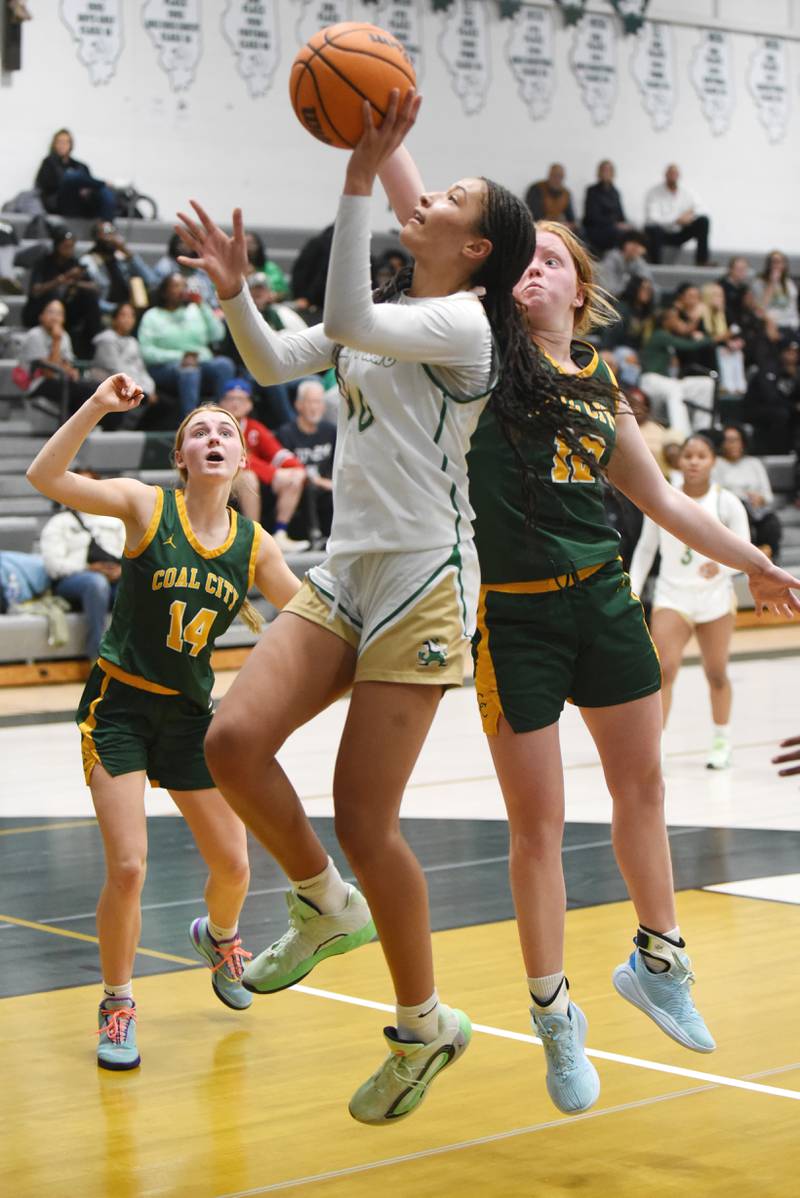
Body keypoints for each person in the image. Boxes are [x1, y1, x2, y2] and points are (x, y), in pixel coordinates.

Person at [175, 90, 552, 1125]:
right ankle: (319, 901)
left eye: (446, 198)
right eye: (420, 188)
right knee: (231, 741)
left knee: (365, 816)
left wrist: (354, 176)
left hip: (426, 578)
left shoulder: (464, 323)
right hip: (348, 569)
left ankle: (421, 1023)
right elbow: (275, 357)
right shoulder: (388, 309)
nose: (419, 198)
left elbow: (343, 320)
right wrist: (240, 294)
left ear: (476, 247)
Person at [466, 227, 799, 1116]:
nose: (532, 270)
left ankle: (658, 961)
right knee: (538, 828)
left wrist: (756, 564)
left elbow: (661, 500)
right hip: (518, 615)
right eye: (521, 260)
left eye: (551, 260)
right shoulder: (480, 357)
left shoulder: (602, 379)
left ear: (580, 290)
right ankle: (554, 1014)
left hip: (604, 603)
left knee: (643, 790)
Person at [25, 376, 300, 1072]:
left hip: (188, 717)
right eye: (200, 432)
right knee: (128, 865)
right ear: (182, 457)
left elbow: (307, 625)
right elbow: (44, 474)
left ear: (242, 461)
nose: (214, 438)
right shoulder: (146, 508)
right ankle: (117, 1003)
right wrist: (96, 406)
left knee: (235, 864)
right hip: (117, 707)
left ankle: (220, 936)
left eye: (226, 433)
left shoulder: (256, 546)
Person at [630, 435, 751, 770]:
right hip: (673, 595)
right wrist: (634, 590)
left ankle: (721, 740)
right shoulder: (662, 500)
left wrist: (723, 565)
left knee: (716, 673)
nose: (694, 462)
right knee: (663, 670)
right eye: (688, 456)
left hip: (714, 597)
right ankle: (658, 745)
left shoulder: (727, 503)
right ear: (678, 461)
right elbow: (644, 549)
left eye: (702, 456)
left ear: (713, 461)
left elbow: (746, 549)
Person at [217, 377, 308, 547]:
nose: (235, 404)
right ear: (221, 403)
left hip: (256, 481)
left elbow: (278, 454)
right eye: (230, 399)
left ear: (249, 405)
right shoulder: (217, 427)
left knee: (295, 476)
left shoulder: (253, 427)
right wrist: (273, 474)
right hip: (219, 479)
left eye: (241, 399)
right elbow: (235, 459)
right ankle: (255, 536)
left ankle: (280, 533)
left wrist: (297, 469)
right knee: (248, 477)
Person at [39, 487, 125, 661]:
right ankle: (98, 657)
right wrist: (88, 568)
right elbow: (53, 566)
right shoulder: (59, 522)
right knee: (96, 583)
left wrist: (123, 570)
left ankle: (132, 657)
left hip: (114, 579)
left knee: (136, 584)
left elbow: (132, 553)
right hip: (71, 583)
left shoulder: (115, 521)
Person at [138, 273, 235, 416]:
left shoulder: (196, 310)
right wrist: (182, 356)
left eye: (184, 285)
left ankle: (220, 417)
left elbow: (218, 335)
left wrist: (202, 306)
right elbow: (146, 352)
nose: (182, 289)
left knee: (224, 365)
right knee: (189, 371)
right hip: (165, 368)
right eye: (176, 286)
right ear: (164, 292)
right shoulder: (152, 316)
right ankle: (190, 423)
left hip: (201, 362)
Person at [23, 228, 102, 358]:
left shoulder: (75, 263)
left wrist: (75, 283)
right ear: (57, 245)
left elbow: (95, 287)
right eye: (66, 246)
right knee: (53, 296)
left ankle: (96, 341)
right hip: (40, 310)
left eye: (72, 247)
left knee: (90, 297)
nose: (69, 250)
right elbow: (35, 291)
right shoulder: (44, 262)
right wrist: (62, 279)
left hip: (67, 313)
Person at [276, 377, 337, 546]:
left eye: (318, 402)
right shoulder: (286, 433)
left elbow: (337, 465)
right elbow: (284, 466)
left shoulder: (330, 431)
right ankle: (314, 535)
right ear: (298, 405)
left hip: (326, 487)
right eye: (310, 402)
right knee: (309, 486)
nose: (314, 408)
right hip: (299, 488)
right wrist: (317, 480)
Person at [17, 297, 96, 419]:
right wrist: (56, 340)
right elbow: (49, 373)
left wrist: (71, 371)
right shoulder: (35, 335)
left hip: (60, 380)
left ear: (63, 319)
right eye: (50, 312)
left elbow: (66, 364)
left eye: (59, 313)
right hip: (38, 383)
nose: (54, 317)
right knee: (78, 390)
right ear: (41, 316)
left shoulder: (64, 336)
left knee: (92, 387)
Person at [715, 424, 782, 560]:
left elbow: (768, 495)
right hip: (730, 509)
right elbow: (715, 491)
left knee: (771, 522)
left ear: (743, 442)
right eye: (728, 440)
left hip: (756, 510)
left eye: (735, 440)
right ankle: (749, 556)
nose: (732, 444)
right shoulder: (716, 463)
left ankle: (768, 557)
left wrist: (760, 499)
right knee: (742, 508)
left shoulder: (754, 463)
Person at [34, 128, 116, 222]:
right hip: (61, 203)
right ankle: (102, 183)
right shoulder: (48, 163)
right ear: (54, 144)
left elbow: (88, 185)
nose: (63, 145)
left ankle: (107, 226)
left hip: (81, 203)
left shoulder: (81, 166)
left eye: (66, 142)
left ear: (71, 145)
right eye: (60, 142)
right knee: (72, 176)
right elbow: (46, 187)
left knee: (104, 190)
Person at [79, 220, 156, 314]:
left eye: (112, 233)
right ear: (96, 237)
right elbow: (93, 300)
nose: (110, 238)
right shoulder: (88, 261)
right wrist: (117, 309)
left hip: (128, 312)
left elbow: (151, 281)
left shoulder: (121, 257)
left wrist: (128, 253)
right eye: (106, 233)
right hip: (104, 313)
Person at [644, 164, 712, 266]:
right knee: (652, 229)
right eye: (670, 173)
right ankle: (656, 264)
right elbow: (652, 218)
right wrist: (676, 219)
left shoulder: (687, 192)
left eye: (675, 174)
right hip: (662, 234)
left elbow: (700, 208)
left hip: (680, 233)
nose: (673, 176)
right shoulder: (654, 192)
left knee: (703, 221)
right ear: (665, 175)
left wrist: (690, 214)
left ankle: (702, 261)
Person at [743, 336, 800, 454]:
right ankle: (778, 451)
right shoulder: (769, 368)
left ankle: (794, 449)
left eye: (795, 353)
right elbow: (770, 397)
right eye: (788, 352)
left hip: (784, 408)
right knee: (782, 414)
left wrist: (796, 378)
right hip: (757, 408)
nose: (792, 356)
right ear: (781, 352)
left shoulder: (796, 371)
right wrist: (793, 406)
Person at [582, 160, 636, 254]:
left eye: (609, 170)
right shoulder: (592, 191)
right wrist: (614, 224)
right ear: (599, 172)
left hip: (614, 227)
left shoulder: (615, 192)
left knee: (634, 231)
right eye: (604, 170)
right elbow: (592, 216)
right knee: (617, 233)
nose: (606, 173)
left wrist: (627, 225)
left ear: (613, 173)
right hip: (597, 229)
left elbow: (621, 215)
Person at [750, 251, 799, 333]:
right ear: (768, 265)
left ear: (784, 265)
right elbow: (760, 310)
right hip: (772, 325)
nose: (776, 265)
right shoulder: (759, 283)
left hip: (792, 324)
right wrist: (772, 283)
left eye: (780, 262)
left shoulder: (789, 283)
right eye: (774, 262)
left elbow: (793, 307)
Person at [598, 230, 652, 298]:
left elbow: (647, 278)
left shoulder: (637, 261)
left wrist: (644, 283)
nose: (636, 247)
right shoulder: (611, 259)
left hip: (623, 298)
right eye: (633, 243)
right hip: (608, 300)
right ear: (624, 244)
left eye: (639, 245)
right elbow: (609, 290)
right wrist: (628, 283)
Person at [524, 164, 577, 230]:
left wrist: (569, 224)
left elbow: (571, 218)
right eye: (554, 176)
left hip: (558, 227)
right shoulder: (537, 189)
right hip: (539, 227)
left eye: (560, 176)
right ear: (549, 175)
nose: (557, 179)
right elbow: (533, 215)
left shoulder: (566, 193)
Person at [245, 231, 290, 300]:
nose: (248, 247)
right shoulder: (233, 269)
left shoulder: (271, 268)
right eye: (245, 244)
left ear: (259, 246)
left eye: (251, 243)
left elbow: (281, 292)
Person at [718, 256, 751, 329]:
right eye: (739, 269)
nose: (742, 272)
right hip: (725, 324)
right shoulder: (720, 286)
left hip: (741, 323)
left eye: (744, 269)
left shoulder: (744, 288)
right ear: (730, 269)